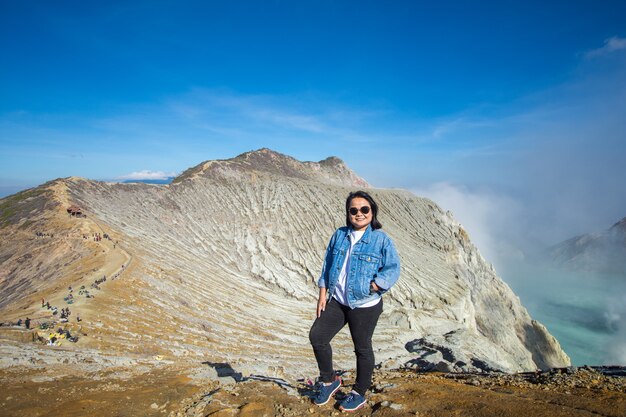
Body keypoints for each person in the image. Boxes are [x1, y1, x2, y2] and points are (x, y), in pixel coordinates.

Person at [309, 190, 401, 412]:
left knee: (362, 348)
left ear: (372, 211)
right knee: (318, 336)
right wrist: (322, 294)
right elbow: (327, 265)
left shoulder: (381, 239)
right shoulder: (339, 235)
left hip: (365, 305)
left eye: (364, 209)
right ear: (348, 213)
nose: (359, 214)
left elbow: (393, 268)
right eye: (354, 210)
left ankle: (359, 392)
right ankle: (330, 380)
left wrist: (376, 286)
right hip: (338, 300)